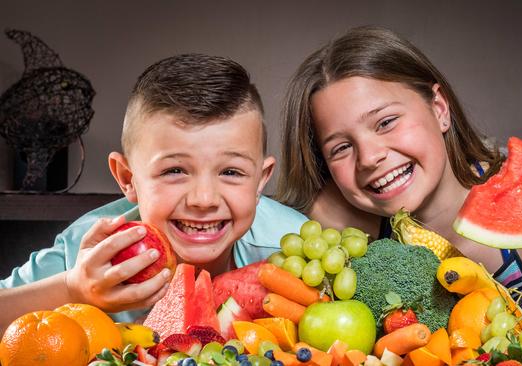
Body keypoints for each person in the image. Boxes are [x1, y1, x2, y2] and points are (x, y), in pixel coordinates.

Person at [275, 26, 522, 328]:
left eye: (386, 122)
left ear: (439, 109)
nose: (370, 157)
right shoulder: (335, 222)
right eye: (341, 148)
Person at [0, 54, 307, 331]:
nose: (203, 199)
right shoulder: (89, 248)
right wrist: (72, 288)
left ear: (261, 180)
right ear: (127, 178)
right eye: (174, 171)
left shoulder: (292, 247)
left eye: (230, 172)